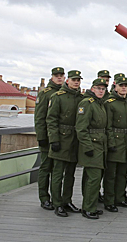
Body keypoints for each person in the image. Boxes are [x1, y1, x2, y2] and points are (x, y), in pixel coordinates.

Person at [47, 70, 84, 217]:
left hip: (74, 140)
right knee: (57, 174)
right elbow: (51, 120)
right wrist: (54, 139)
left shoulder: (81, 98)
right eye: (74, 80)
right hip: (61, 139)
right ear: (67, 80)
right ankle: (57, 203)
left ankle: (67, 201)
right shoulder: (57, 97)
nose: (76, 82)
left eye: (78, 80)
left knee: (70, 174)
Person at [76, 78, 110, 219]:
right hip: (92, 145)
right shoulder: (87, 103)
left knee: (91, 177)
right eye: (98, 88)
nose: (101, 91)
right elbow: (81, 128)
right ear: (93, 88)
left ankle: (89, 205)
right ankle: (89, 208)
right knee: (94, 178)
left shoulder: (99, 104)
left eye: (103, 89)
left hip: (100, 144)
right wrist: (87, 146)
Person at [34, 67, 65, 210]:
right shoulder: (45, 94)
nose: (59, 78)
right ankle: (44, 197)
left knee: (58, 170)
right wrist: (41, 137)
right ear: (52, 77)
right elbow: (40, 117)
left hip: (61, 138)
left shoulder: (65, 93)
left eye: (61, 76)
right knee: (46, 167)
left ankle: (57, 198)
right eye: (56, 76)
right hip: (47, 138)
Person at [103, 76, 127, 213]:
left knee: (122, 173)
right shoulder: (109, 103)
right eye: (121, 85)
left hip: (126, 142)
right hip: (115, 140)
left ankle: (120, 197)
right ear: (115, 87)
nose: (123, 88)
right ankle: (109, 200)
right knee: (111, 174)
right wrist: (111, 142)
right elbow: (107, 126)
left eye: (126, 85)